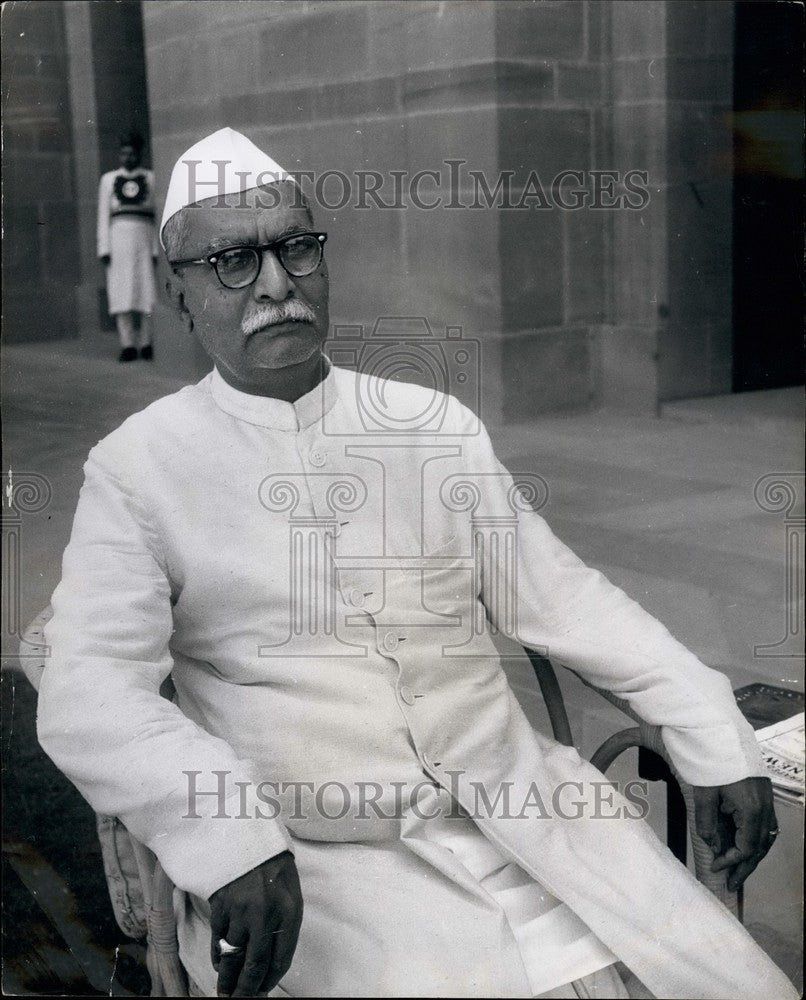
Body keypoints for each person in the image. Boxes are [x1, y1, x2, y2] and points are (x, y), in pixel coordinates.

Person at [38, 128, 798, 1000]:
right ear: (179, 295)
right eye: (233, 263)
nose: (277, 284)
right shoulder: (139, 467)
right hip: (329, 871)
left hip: (537, 816)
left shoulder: (432, 425)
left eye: (296, 248)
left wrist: (710, 731)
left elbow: (568, 601)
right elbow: (88, 688)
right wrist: (228, 837)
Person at [97, 131, 158, 362]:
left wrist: (155, 248)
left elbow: (154, 216)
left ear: (139, 154)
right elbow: (103, 215)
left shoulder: (151, 178)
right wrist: (104, 247)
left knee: (146, 292)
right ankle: (127, 344)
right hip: (118, 241)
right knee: (121, 292)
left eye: (132, 153)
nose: (128, 157)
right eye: (124, 153)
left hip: (144, 239)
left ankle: (146, 342)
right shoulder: (108, 180)